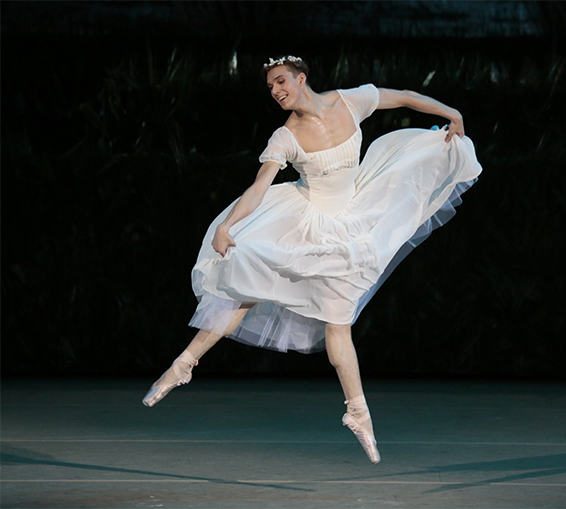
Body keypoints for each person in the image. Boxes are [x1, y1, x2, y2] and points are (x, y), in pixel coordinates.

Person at [142, 55, 482, 464]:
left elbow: (406, 97)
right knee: (245, 279)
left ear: (302, 79)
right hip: (304, 219)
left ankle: (358, 412)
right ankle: (183, 365)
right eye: (271, 87)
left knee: (338, 323)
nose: (277, 91)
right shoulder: (285, 136)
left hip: (353, 219)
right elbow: (257, 187)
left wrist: (452, 112)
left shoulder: (350, 101)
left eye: (282, 82)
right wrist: (226, 224)